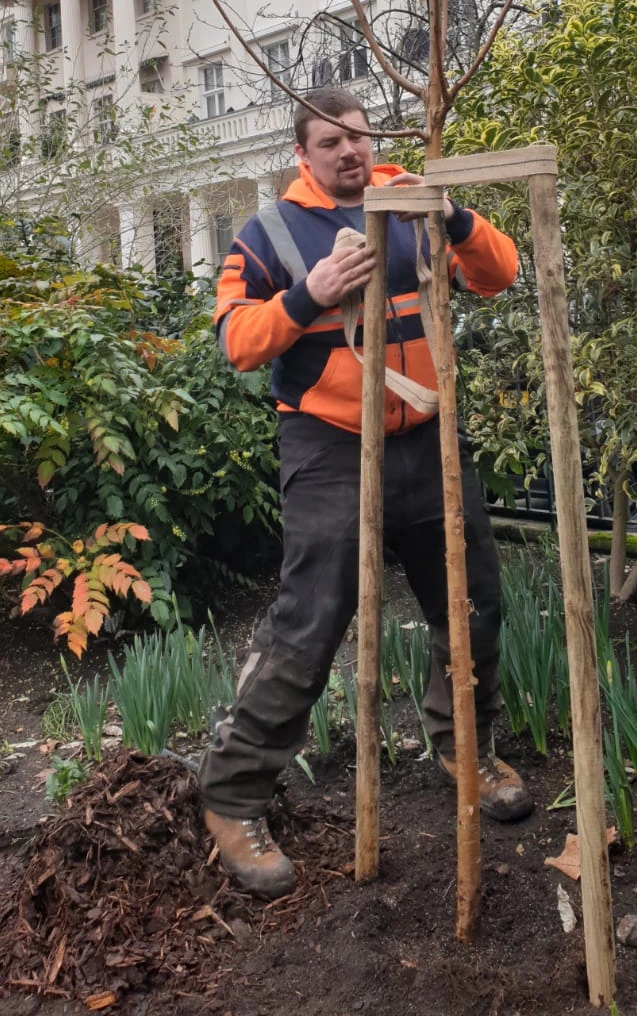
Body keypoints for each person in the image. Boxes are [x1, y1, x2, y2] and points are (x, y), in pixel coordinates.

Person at [199, 86, 532, 899]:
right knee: (311, 622)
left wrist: (451, 215)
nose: (349, 151)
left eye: (356, 136)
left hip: (425, 432)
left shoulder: (413, 203)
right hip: (328, 443)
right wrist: (308, 293)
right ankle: (234, 795)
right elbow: (236, 341)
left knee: (472, 600)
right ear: (303, 155)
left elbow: (502, 273)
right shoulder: (269, 231)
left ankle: (465, 749)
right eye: (329, 142)